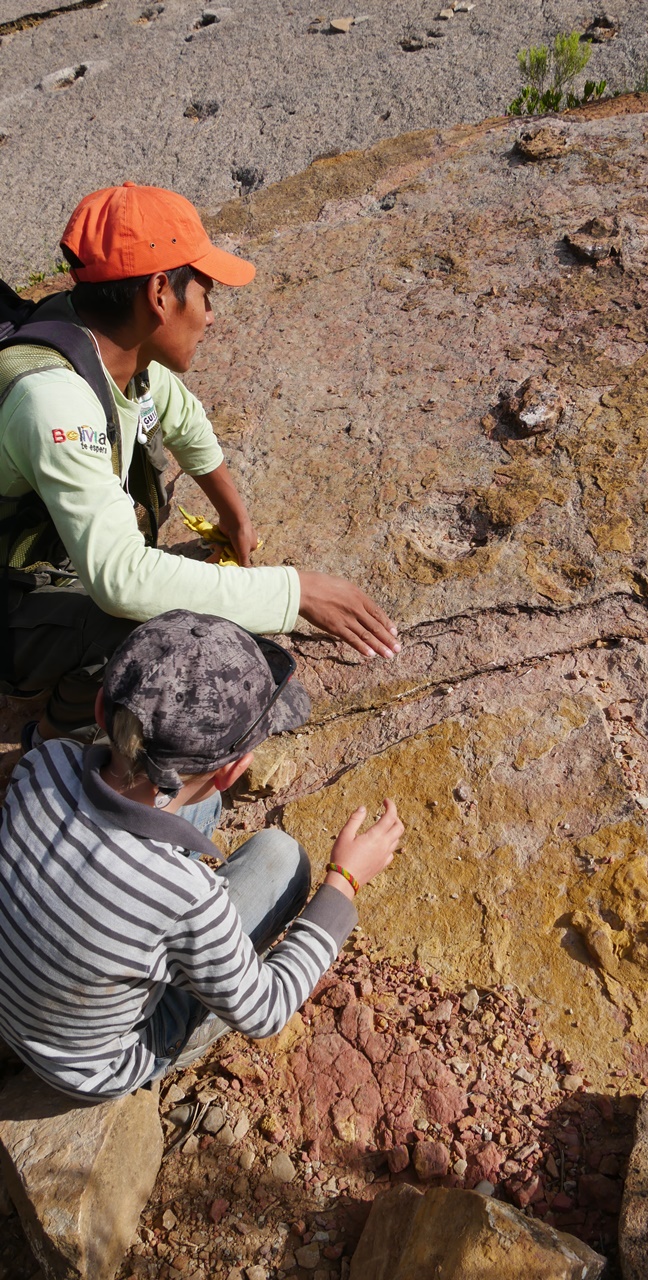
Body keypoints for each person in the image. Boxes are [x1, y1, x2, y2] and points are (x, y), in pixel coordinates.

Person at [0, 181, 400, 744]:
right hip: (12, 602)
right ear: (160, 293)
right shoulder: (53, 398)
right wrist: (295, 592)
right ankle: (62, 738)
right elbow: (119, 580)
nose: (211, 315)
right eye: (206, 292)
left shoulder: (108, 338)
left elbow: (183, 421)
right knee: (141, 616)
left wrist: (235, 515)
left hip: (49, 558)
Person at [0, 608, 404, 1099]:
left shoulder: (44, 763)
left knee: (188, 817)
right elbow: (267, 1011)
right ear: (231, 772)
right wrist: (343, 881)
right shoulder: (187, 898)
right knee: (282, 858)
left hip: (16, 1001)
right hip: (92, 1067)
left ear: (103, 708)